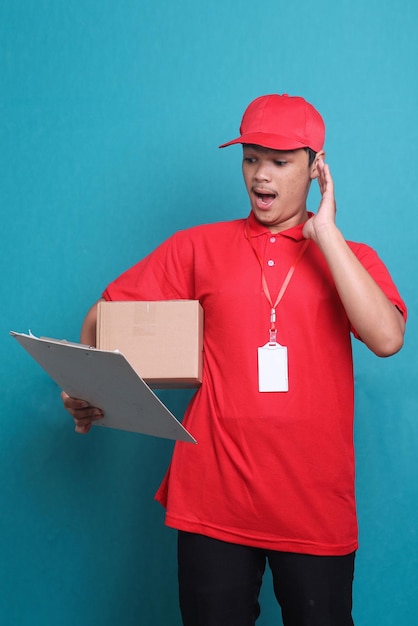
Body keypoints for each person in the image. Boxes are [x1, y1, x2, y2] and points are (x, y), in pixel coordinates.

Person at [62, 93, 407, 626]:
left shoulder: (351, 258)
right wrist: (86, 386)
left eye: (279, 161)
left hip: (314, 506)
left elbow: (387, 338)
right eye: (250, 159)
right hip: (213, 501)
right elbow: (103, 317)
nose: (260, 176)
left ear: (316, 167)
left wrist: (327, 235)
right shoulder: (197, 248)